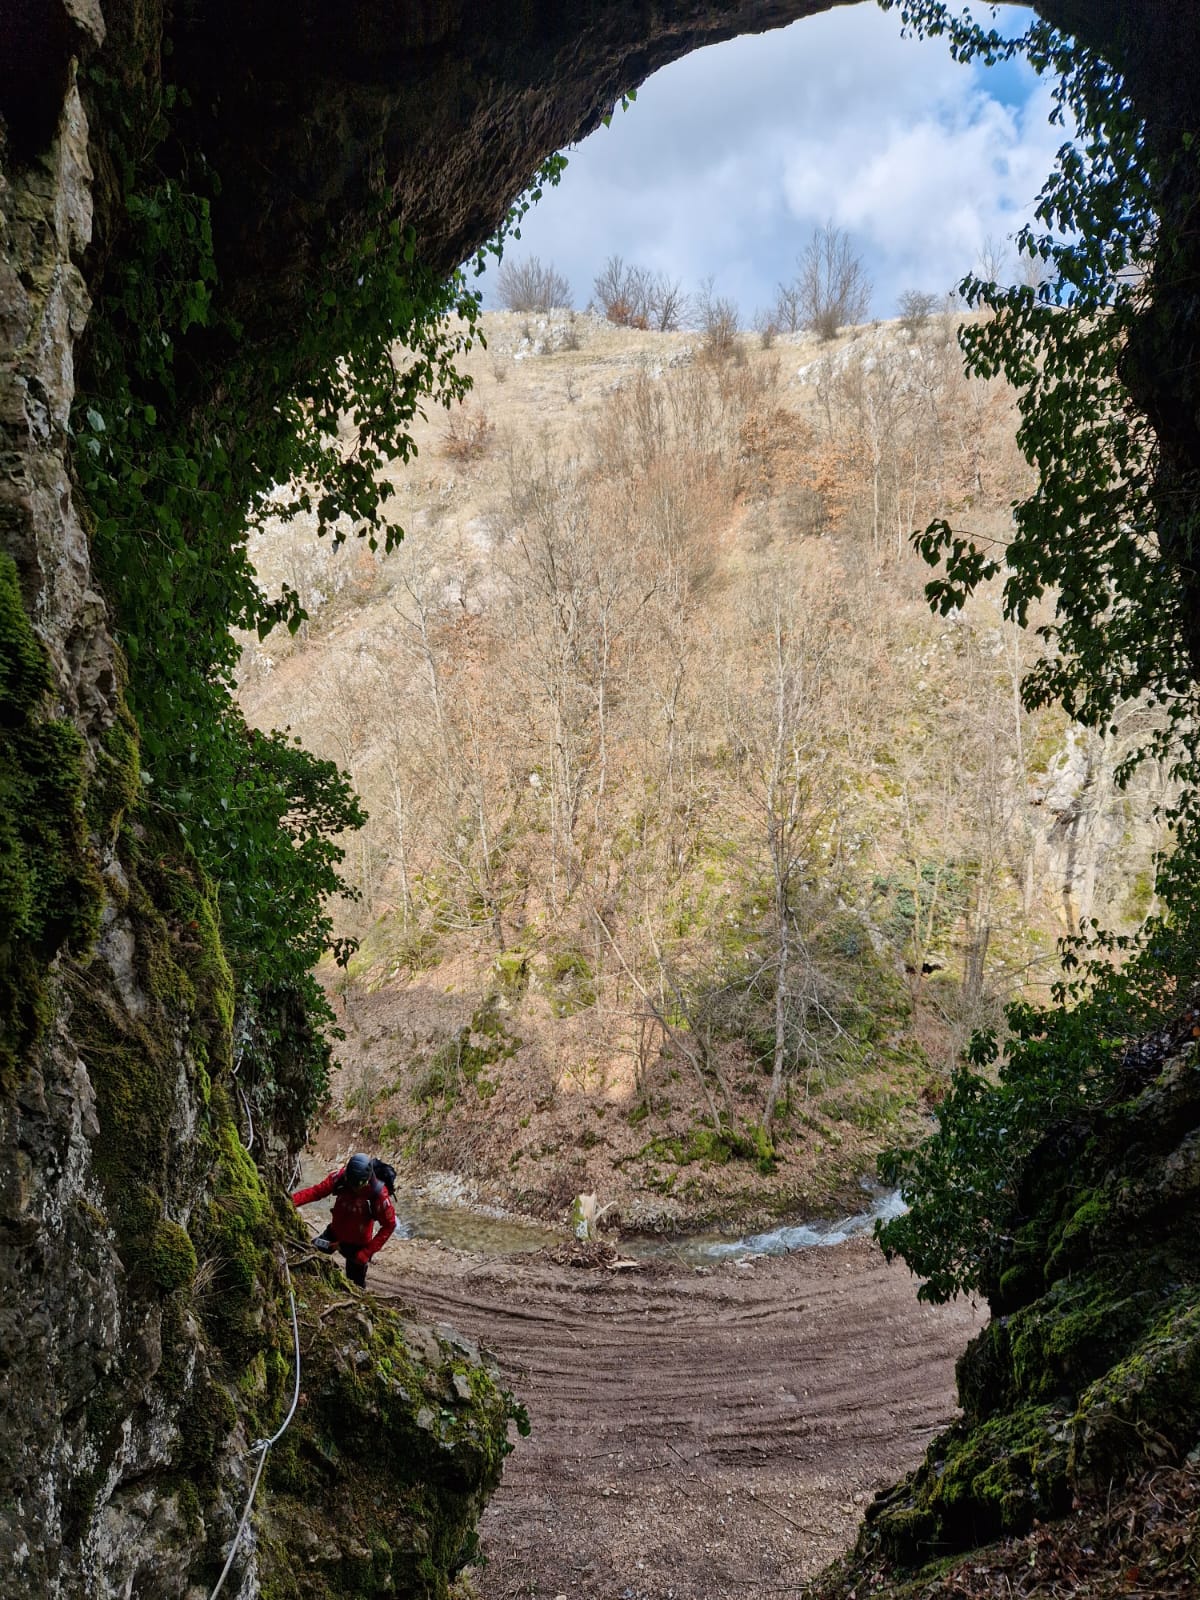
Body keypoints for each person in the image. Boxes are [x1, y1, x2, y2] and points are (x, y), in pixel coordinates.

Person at [291, 1152, 396, 1287]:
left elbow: (389, 1225)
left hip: (358, 1247)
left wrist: (366, 1252)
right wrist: (291, 1201)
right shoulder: (340, 1178)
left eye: (357, 1186)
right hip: (333, 1235)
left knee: (355, 1285)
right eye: (351, 1184)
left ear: (367, 1180)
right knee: (310, 1254)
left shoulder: (379, 1196)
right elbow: (316, 1192)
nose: (353, 1189)